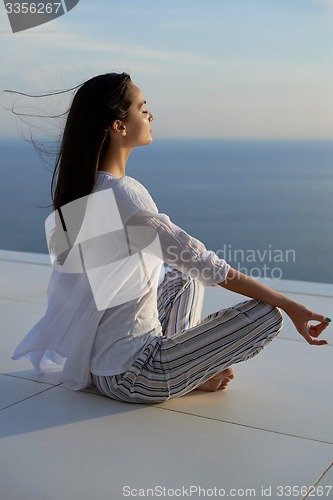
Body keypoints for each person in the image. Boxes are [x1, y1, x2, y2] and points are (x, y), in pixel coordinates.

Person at [12, 72, 330, 403]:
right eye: (142, 107)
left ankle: (189, 369)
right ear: (119, 126)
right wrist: (291, 305)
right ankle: (190, 374)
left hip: (97, 365)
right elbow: (209, 265)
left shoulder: (84, 189)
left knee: (184, 279)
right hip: (134, 375)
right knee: (268, 314)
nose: (151, 115)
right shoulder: (124, 194)